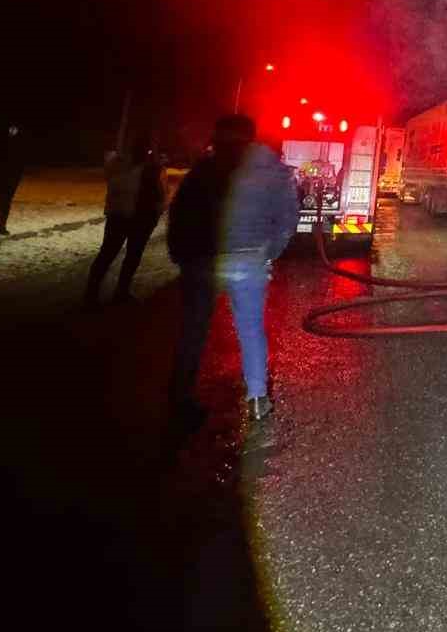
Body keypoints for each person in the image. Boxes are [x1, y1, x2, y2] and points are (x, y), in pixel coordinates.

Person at [166, 114, 298, 427]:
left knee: (193, 331)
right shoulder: (270, 171)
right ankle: (255, 399)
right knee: (250, 329)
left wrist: (182, 257)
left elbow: (180, 214)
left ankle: (180, 397)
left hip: (202, 261)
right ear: (251, 137)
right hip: (247, 259)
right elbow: (287, 218)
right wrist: (269, 254)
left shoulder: (203, 169)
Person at [85, 138, 167, 304]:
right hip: (132, 217)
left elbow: (159, 193)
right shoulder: (137, 168)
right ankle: (106, 293)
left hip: (126, 216)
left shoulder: (121, 166)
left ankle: (103, 293)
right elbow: (159, 193)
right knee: (118, 254)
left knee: (116, 254)